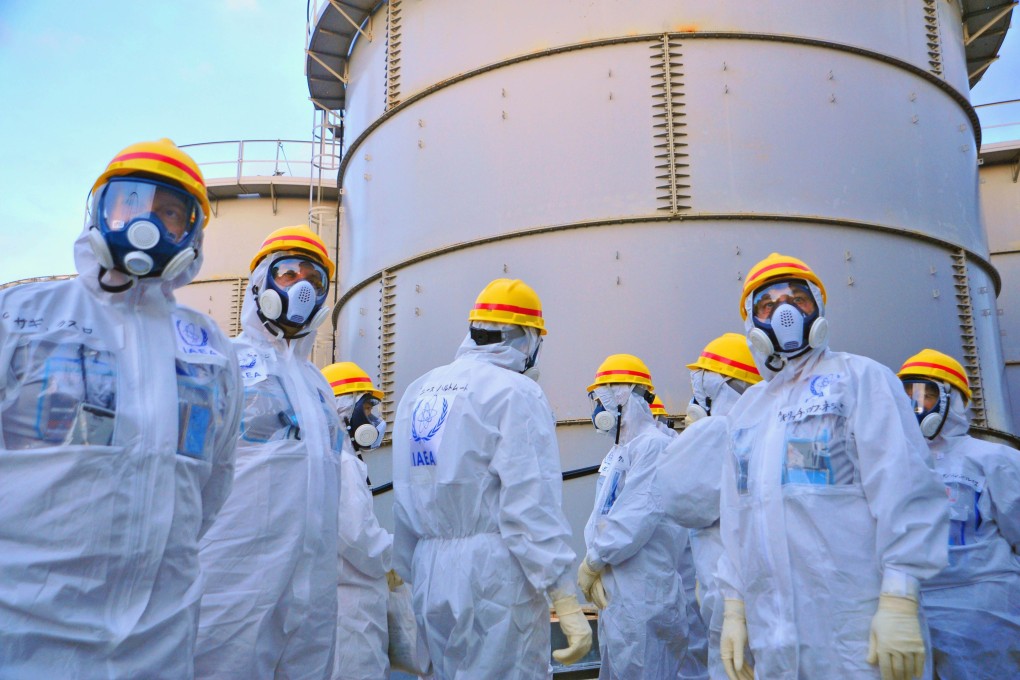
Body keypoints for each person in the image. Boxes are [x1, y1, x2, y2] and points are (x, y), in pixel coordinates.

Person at [0, 139, 242, 678]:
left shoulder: (207, 349)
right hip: (24, 631)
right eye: (130, 203)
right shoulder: (21, 316)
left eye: (169, 212)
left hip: (158, 640)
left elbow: (214, 483)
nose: (146, 223)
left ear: (192, 235)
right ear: (99, 211)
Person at [716, 252, 949, 680]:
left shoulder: (861, 380)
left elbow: (905, 489)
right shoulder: (748, 411)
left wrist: (899, 597)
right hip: (775, 633)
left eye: (798, 300)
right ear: (753, 322)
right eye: (768, 305)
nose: (785, 312)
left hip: (856, 629)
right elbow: (735, 519)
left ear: (818, 309)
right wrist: (734, 608)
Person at [391, 278, 591, 680]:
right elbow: (528, 506)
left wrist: (406, 566)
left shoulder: (420, 390)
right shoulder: (516, 393)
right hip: (493, 576)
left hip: (429, 571)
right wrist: (563, 594)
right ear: (526, 338)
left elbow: (405, 491)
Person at [195, 225, 342, 680]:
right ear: (260, 281)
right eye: (287, 273)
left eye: (313, 281)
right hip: (234, 577)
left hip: (313, 582)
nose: (299, 288)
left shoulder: (318, 385)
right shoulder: (222, 361)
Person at [897, 349, 1020, 679]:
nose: (914, 406)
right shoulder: (895, 464)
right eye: (905, 396)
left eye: (924, 394)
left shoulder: (994, 459)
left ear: (951, 400)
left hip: (986, 615)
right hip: (915, 612)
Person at [654, 333, 763, 680]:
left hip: (727, 583)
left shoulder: (720, 431)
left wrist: (695, 439)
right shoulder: (764, 427)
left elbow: (674, 497)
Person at [578, 353, 689, 678]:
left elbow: (633, 519)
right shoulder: (626, 451)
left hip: (644, 593)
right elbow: (606, 513)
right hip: (623, 593)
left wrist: (594, 561)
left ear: (622, 395)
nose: (597, 409)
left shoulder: (653, 447)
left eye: (600, 399)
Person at [322, 361, 394, 680]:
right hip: (351, 609)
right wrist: (396, 560)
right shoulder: (343, 463)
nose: (373, 419)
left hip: (338, 603)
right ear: (343, 412)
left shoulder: (328, 456)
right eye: (366, 407)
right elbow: (358, 537)